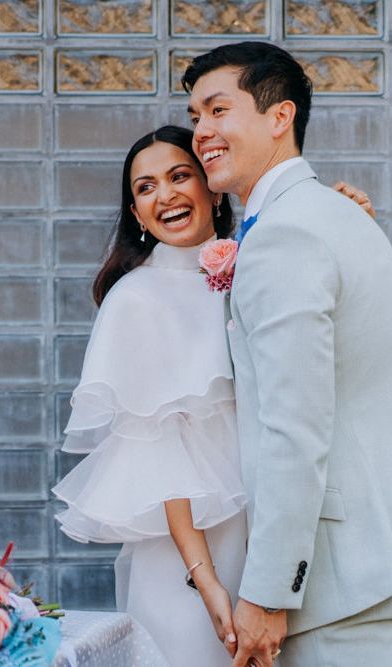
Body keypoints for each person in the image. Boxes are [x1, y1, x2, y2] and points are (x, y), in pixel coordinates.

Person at [51, 125, 374, 666]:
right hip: (193, 551)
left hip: (276, 533)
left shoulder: (257, 260)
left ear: (213, 186)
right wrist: (207, 582)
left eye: (180, 176)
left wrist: (339, 225)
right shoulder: (136, 299)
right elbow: (159, 452)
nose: (166, 195)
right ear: (135, 213)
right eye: (146, 187)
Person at [183, 41, 392, 667]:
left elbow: (293, 429)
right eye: (194, 117)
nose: (202, 132)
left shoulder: (286, 234)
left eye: (218, 110)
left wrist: (271, 592)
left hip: (333, 591)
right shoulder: (344, 217)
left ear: (281, 116)